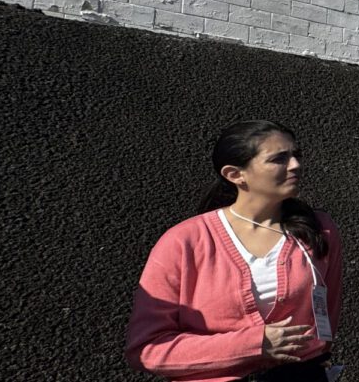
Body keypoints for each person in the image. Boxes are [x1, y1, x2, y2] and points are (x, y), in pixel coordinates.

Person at [126, 120, 343, 381]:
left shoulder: (319, 230)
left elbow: (327, 317)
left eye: (297, 155)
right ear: (235, 174)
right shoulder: (184, 242)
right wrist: (253, 344)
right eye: (279, 159)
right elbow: (147, 349)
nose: (296, 165)